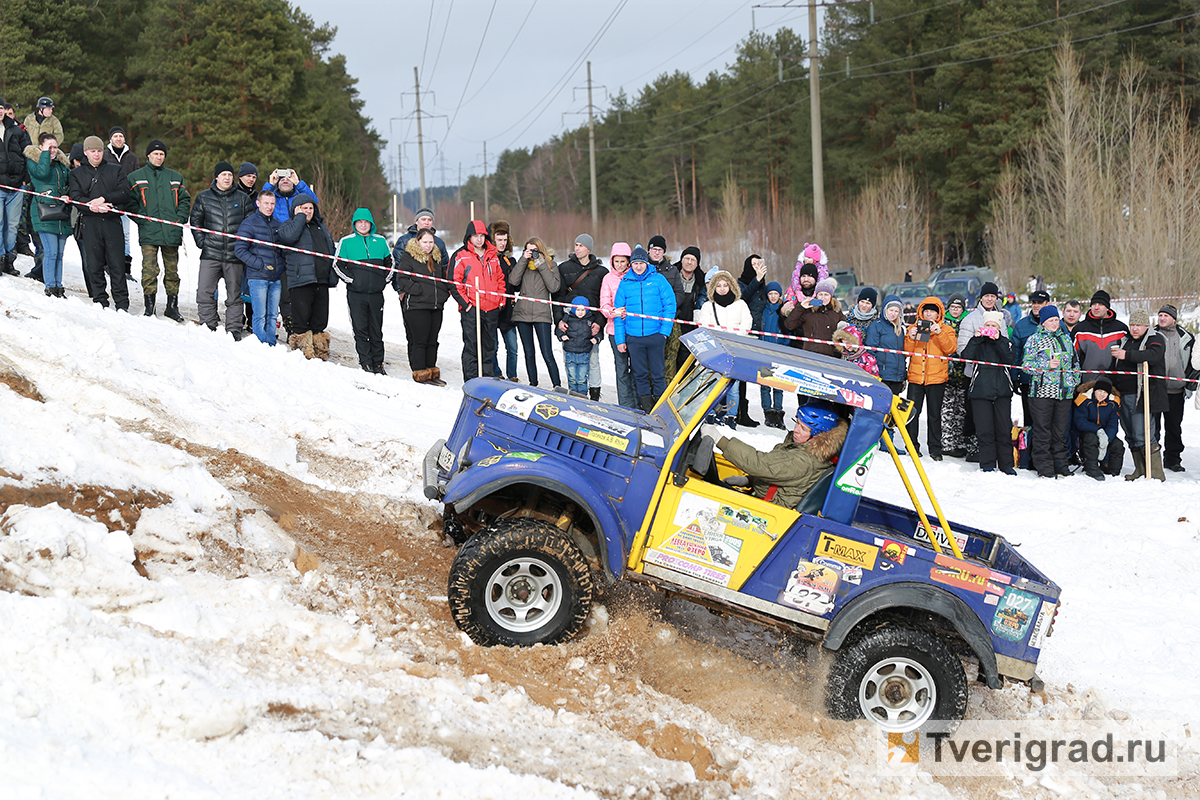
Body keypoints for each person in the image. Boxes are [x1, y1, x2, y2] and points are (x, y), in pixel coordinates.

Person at [700, 401, 849, 510]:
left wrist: (720, 440)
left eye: (803, 428)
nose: (796, 430)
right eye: (797, 423)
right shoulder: (804, 449)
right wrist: (749, 480)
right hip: (764, 504)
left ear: (818, 436)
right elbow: (779, 471)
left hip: (768, 514)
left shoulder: (805, 460)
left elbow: (763, 464)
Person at [128, 139, 191, 322]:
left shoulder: (175, 177)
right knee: (150, 270)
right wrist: (142, 219)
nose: (159, 157)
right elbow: (130, 203)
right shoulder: (135, 177)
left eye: (162, 154)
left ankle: (172, 307)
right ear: (148, 155)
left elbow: (185, 200)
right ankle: (150, 307)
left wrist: (179, 219)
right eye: (155, 154)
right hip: (149, 232)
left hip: (171, 232)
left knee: (172, 272)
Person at [190, 161, 252, 337]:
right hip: (211, 253)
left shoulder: (243, 199)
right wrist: (202, 241)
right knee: (204, 292)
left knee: (235, 295)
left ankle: (233, 329)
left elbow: (251, 224)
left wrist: (243, 247)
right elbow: (195, 221)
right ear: (216, 176)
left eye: (230, 175)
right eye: (223, 174)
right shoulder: (204, 197)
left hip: (234, 256)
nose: (227, 178)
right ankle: (208, 325)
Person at [69, 136, 131, 310]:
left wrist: (105, 199)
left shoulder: (115, 170)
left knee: (117, 264)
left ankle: (122, 303)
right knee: (93, 265)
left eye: (99, 151)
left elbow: (125, 192)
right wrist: (93, 208)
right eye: (92, 151)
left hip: (112, 222)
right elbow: (76, 198)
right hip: (90, 223)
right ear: (85, 152)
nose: (96, 154)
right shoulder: (77, 174)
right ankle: (100, 300)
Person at [334, 208, 398, 375]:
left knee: (376, 329)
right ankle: (366, 363)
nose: (363, 225)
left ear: (371, 223)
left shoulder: (380, 241)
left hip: (376, 294)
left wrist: (383, 281)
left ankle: (378, 363)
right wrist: (353, 281)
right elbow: (337, 265)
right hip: (356, 294)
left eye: (366, 222)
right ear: (355, 224)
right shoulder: (346, 242)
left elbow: (390, 263)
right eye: (359, 222)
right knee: (361, 329)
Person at [956, 282, 1014, 462]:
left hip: (998, 377)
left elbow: (1006, 348)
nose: (990, 299)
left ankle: (1000, 457)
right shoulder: (971, 319)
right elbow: (962, 351)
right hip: (975, 376)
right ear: (981, 297)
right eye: (987, 296)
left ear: (997, 298)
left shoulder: (1001, 318)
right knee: (977, 419)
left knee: (1000, 422)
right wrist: (978, 338)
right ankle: (976, 452)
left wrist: (998, 338)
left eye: (993, 296)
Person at [613, 245, 675, 412]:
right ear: (631, 265)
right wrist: (621, 339)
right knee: (639, 375)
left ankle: (660, 409)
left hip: (655, 335)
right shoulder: (625, 283)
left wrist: (664, 332)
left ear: (647, 263)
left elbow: (670, 305)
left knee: (657, 374)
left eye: (641, 263)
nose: (639, 266)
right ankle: (646, 408)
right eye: (635, 263)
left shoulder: (658, 280)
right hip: (634, 338)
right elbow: (618, 313)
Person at [1022, 305, 1079, 479]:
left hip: (1064, 393)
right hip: (1041, 393)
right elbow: (1026, 365)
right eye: (1050, 321)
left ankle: (1061, 465)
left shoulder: (1066, 339)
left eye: (1056, 320)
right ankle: (1044, 467)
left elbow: (1075, 362)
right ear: (1043, 322)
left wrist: (1074, 380)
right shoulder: (1034, 339)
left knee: (1061, 432)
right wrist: (1046, 365)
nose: (1054, 324)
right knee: (1042, 432)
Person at [277, 192, 335, 360]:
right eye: (303, 208)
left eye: (310, 208)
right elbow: (288, 238)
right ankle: (303, 354)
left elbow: (330, 248)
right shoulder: (288, 226)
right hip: (301, 280)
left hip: (321, 280)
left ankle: (320, 351)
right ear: (295, 209)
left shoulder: (320, 227)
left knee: (320, 320)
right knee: (301, 319)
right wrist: (299, 218)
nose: (308, 211)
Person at [1110, 308, 1166, 481]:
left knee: (1143, 433)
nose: (1135, 328)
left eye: (1139, 325)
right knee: (1130, 433)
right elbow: (1115, 365)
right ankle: (1140, 470)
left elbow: (1153, 355)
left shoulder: (1155, 339)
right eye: (1132, 324)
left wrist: (1126, 355)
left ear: (1146, 326)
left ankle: (1155, 473)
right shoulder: (1124, 340)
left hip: (1143, 394)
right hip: (1123, 393)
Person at [696, 269, 754, 428]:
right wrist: (720, 337)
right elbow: (704, 326)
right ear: (713, 287)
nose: (722, 288)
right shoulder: (708, 306)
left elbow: (747, 323)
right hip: (715, 350)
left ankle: (731, 416)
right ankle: (711, 413)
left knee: (733, 387)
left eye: (725, 285)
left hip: (735, 350)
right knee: (712, 383)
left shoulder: (740, 304)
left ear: (731, 286)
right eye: (718, 285)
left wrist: (734, 337)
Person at [449, 220, 505, 380]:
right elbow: (454, 282)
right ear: (469, 237)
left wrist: (500, 301)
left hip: (491, 309)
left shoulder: (492, 255)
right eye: (475, 236)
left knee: (489, 348)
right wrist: (466, 305)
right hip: (472, 309)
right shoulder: (461, 256)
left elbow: (500, 279)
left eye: (482, 236)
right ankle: (472, 380)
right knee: (472, 346)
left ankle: (486, 380)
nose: (479, 239)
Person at [903, 296, 957, 460]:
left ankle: (935, 449)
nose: (928, 315)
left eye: (932, 312)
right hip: (916, 378)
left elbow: (951, 349)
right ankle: (911, 446)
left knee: (934, 415)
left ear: (938, 313)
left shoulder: (946, 329)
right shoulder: (914, 327)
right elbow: (906, 351)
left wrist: (939, 333)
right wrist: (911, 336)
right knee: (912, 414)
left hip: (936, 379)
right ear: (921, 312)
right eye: (926, 311)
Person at [554, 233, 607, 400]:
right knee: (570, 361)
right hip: (570, 323)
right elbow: (557, 298)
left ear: (589, 249)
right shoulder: (564, 268)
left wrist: (599, 323)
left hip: (591, 323)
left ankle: (595, 396)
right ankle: (574, 395)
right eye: (576, 245)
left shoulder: (601, 272)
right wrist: (558, 322)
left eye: (581, 245)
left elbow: (603, 300)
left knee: (593, 361)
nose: (577, 248)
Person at [509, 236, 563, 390]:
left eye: (534, 250)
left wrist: (541, 263)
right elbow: (513, 281)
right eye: (528, 250)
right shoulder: (523, 264)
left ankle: (557, 385)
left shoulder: (551, 264)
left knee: (547, 353)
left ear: (541, 250)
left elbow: (554, 287)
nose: (531, 253)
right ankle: (533, 384)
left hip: (542, 314)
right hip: (522, 313)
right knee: (529, 352)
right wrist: (523, 260)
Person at [234, 190, 285, 345]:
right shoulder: (249, 223)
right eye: (266, 203)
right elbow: (240, 250)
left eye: (272, 204)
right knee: (259, 315)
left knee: (272, 315)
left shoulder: (277, 225)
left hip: (275, 279)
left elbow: (282, 249)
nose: (269, 207)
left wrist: (280, 266)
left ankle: (271, 344)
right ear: (258, 203)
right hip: (258, 278)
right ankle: (260, 345)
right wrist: (259, 265)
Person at [23, 133, 71, 297]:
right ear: (40, 147)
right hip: (43, 212)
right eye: (49, 147)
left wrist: (67, 194)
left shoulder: (61, 164)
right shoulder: (33, 161)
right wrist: (45, 154)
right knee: (50, 252)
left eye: (55, 147)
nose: (53, 150)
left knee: (59, 253)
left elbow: (68, 183)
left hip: (61, 213)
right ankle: (50, 287)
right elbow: (42, 173)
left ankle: (58, 285)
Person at [1151, 305, 1195, 472]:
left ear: (1174, 318)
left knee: (1174, 427)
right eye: (1160, 315)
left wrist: (1190, 380)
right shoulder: (1151, 335)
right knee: (1153, 427)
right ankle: (1153, 459)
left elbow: (1194, 361)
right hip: (1156, 389)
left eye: (1165, 316)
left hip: (1176, 391)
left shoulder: (1186, 337)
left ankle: (1172, 460)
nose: (1162, 318)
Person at [734, 254, 769, 427]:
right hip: (743, 335)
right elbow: (742, 298)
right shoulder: (739, 284)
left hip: (758, 336)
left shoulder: (764, 287)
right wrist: (756, 280)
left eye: (758, 264)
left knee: (750, 376)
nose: (756, 267)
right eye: (753, 264)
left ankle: (745, 412)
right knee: (740, 376)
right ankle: (740, 412)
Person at [601, 242, 637, 409]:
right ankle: (625, 405)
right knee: (621, 368)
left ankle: (638, 403)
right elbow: (604, 304)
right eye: (617, 261)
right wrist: (613, 311)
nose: (620, 265)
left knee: (637, 368)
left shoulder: (635, 276)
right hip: (615, 330)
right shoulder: (608, 279)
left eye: (623, 261)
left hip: (635, 330)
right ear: (612, 261)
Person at [103, 126, 140, 277]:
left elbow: (136, 180)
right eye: (115, 136)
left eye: (121, 136)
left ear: (124, 139)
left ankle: (125, 269)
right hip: (108, 200)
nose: (118, 138)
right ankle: (106, 265)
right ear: (110, 139)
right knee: (107, 234)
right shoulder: (104, 155)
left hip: (125, 202)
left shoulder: (132, 157)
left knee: (125, 234)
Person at [1011, 289, 1050, 422]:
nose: (1036, 305)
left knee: (1049, 421)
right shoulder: (1021, 325)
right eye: (1034, 302)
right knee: (1029, 419)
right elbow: (1016, 354)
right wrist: (1015, 377)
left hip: (1052, 382)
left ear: (1047, 304)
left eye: (1040, 302)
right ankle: (1028, 443)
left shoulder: (1057, 325)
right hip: (1028, 381)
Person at [1, 106, 32, 275]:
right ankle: (0, 259)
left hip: (17, 185)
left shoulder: (17, 130)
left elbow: (28, 153)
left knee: (12, 226)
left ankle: (8, 260)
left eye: (0, 108)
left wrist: (26, 178)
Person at [665, 245, 705, 375]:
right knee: (668, 361)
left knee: (685, 363)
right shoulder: (671, 275)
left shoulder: (701, 280)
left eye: (693, 260)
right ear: (681, 259)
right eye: (686, 258)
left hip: (690, 326)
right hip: (671, 323)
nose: (689, 262)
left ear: (697, 263)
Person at [1073, 290, 1128, 382]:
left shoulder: (1121, 329)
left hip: (1115, 383)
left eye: (1101, 304)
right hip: (1087, 383)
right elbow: (1072, 358)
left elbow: (1128, 356)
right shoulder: (1080, 330)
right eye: (1094, 304)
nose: (1096, 307)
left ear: (1107, 307)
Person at [783, 277, 845, 358]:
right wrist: (800, 307)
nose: (823, 297)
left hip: (832, 356)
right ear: (816, 295)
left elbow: (845, 330)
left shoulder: (837, 311)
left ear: (831, 296)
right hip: (811, 355)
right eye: (820, 294)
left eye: (826, 294)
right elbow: (789, 325)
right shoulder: (808, 310)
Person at [1073, 377, 1121, 481]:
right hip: (1087, 430)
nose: (1101, 394)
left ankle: (1111, 468)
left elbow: (1113, 424)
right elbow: (1080, 421)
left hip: (1105, 432)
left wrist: (1106, 438)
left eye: (1105, 392)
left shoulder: (1113, 403)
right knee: (1091, 439)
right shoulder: (1085, 400)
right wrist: (1098, 430)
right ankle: (1091, 468)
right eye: (1099, 391)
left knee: (1117, 444)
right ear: (1094, 390)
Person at [940, 292, 970, 458]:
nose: (955, 310)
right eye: (953, 307)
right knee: (947, 410)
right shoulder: (944, 322)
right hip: (946, 372)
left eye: (958, 307)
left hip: (962, 372)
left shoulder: (966, 322)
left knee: (960, 410)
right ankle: (947, 442)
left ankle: (959, 442)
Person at [489, 220, 520, 381]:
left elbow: (515, 285)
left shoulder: (511, 261)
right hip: (493, 309)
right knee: (493, 347)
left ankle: (512, 375)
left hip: (508, 310)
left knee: (513, 347)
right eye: (499, 239)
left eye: (505, 240)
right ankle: (496, 373)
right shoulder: (488, 259)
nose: (502, 243)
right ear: (493, 239)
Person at [758, 281, 788, 429]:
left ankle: (778, 412)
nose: (773, 296)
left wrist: (785, 345)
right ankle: (767, 412)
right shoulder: (763, 310)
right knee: (765, 384)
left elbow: (788, 331)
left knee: (778, 384)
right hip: (764, 352)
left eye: (776, 294)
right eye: (771, 294)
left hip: (778, 352)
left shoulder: (782, 310)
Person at [559, 296, 603, 396]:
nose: (580, 312)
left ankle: (582, 396)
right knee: (572, 377)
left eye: (583, 310)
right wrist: (562, 336)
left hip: (584, 354)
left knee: (582, 378)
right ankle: (572, 394)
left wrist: (596, 338)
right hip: (570, 353)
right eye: (578, 310)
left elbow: (598, 332)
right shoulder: (568, 318)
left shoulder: (591, 320)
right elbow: (559, 329)